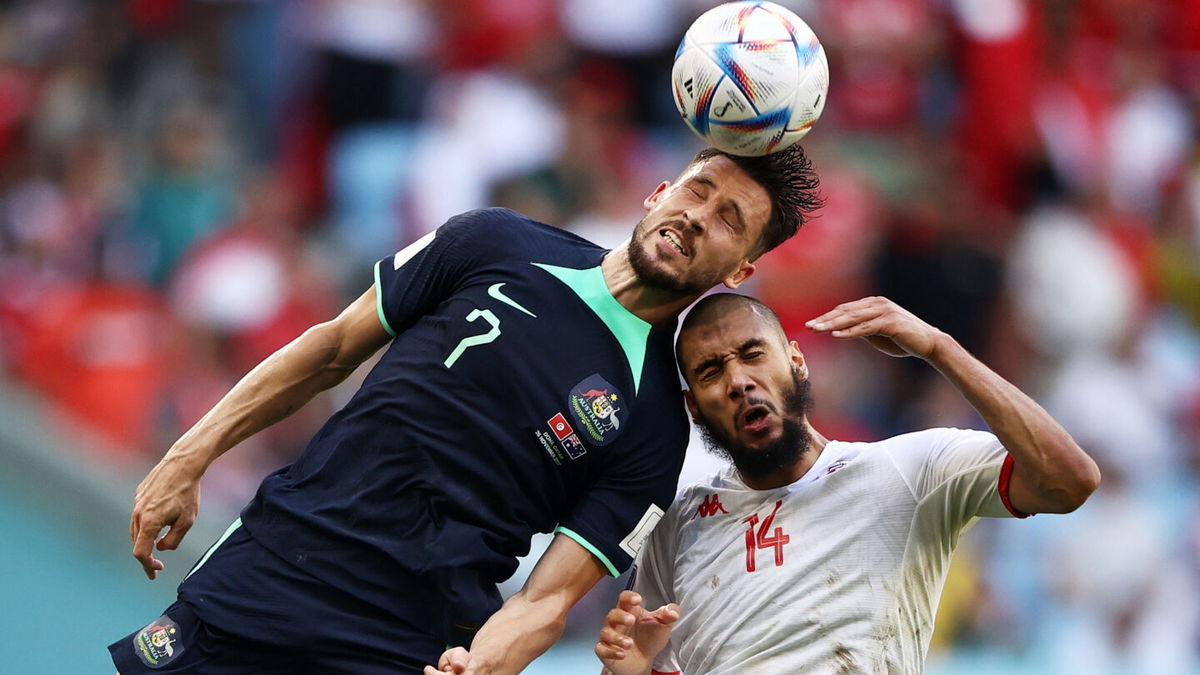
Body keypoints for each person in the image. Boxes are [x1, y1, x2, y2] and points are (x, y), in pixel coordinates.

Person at [111, 145, 822, 675]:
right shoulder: (494, 240)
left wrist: (482, 664)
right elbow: (330, 349)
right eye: (698, 190)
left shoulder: (655, 428)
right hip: (275, 563)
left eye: (729, 220)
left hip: (403, 640)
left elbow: (547, 600)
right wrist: (188, 453)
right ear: (659, 191)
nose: (697, 217)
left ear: (739, 270)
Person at [595, 293, 1101, 675]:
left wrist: (941, 349)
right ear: (694, 408)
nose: (739, 382)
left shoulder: (910, 469)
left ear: (796, 360)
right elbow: (647, 658)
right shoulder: (677, 522)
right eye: (711, 372)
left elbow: (1069, 481)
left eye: (753, 354)